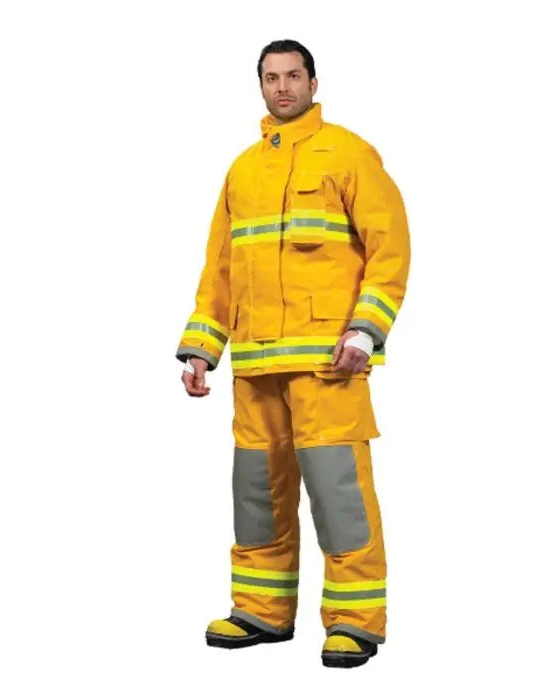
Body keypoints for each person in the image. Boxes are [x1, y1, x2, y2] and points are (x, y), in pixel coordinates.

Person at [176, 38, 410, 668]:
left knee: (339, 496)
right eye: (271, 78)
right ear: (261, 86)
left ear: (313, 82)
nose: (282, 87)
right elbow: (220, 270)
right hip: (255, 369)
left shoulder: (350, 155)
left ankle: (356, 621)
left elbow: (390, 250)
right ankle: (261, 609)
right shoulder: (242, 170)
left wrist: (365, 332)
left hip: (328, 365)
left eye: (293, 76)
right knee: (257, 496)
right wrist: (202, 350)